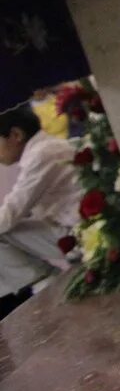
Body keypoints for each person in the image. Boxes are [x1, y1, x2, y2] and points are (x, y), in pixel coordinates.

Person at [0, 104, 81, 316]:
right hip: (69, 232)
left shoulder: (42, 155)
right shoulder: (43, 150)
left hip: (78, 235)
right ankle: (43, 280)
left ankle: (45, 282)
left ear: (16, 135)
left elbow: (9, 215)